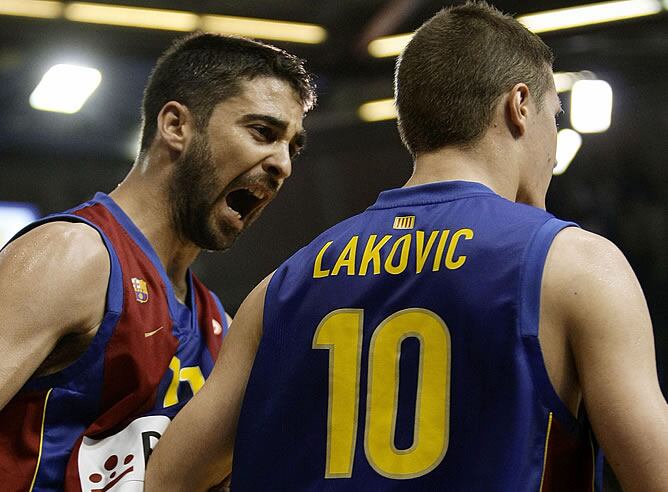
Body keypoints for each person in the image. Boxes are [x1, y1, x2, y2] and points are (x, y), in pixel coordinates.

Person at [146, 3, 668, 491]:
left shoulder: (280, 289)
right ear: (520, 106)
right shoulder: (577, 265)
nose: (553, 152)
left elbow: (167, 478)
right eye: (555, 117)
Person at [0, 32, 315, 490]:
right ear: (175, 126)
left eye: (293, 147)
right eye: (262, 133)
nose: (282, 164)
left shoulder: (218, 326)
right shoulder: (71, 257)